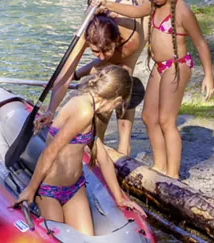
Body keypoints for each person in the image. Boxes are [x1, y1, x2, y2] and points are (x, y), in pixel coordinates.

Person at [97, 0, 214, 180]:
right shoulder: (153, 6)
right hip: (160, 67)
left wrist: (208, 75)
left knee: (166, 121)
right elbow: (132, 11)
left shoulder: (182, 12)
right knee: (149, 117)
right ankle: (160, 165)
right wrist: (107, 5)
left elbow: (200, 43)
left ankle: (173, 174)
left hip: (177, 66)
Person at [13, 66, 147, 234]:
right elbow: (51, 151)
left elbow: (103, 159)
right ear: (118, 100)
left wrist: (120, 199)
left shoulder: (89, 105)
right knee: (58, 238)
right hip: (50, 190)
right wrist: (30, 190)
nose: (115, 110)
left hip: (75, 188)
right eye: (118, 107)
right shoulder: (84, 111)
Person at [36, 0, 149, 155]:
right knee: (104, 80)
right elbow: (64, 75)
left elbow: (122, 76)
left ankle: (124, 147)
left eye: (107, 51)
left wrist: (85, 73)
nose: (101, 57)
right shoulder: (85, 31)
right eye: (95, 52)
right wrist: (50, 110)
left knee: (123, 81)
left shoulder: (130, 38)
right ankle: (97, 143)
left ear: (116, 40)